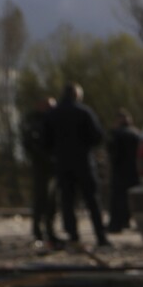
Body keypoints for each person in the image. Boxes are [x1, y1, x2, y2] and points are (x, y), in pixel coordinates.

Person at [43, 83, 110, 247]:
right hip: (83, 162)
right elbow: (97, 136)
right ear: (76, 95)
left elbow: (45, 141)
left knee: (67, 201)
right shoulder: (84, 112)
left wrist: (56, 152)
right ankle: (100, 236)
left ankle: (73, 236)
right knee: (92, 200)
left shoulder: (52, 114)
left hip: (62, 163)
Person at [20, 97, 60, 247]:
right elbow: (31, 145)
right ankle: (38, 231)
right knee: (40, 199)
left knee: (52, 201)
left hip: (51, 167)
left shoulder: (52, 122)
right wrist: (46, 158)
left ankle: (49, 231)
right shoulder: (34, 123)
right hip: (41, 167)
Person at [106, 109, 141, 233]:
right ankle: (128, 221)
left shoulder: (117, 134)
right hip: (135, 171)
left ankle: (116, 225)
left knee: (118, 199)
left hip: (120, 171)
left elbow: (112, 153)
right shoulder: (137, 133)